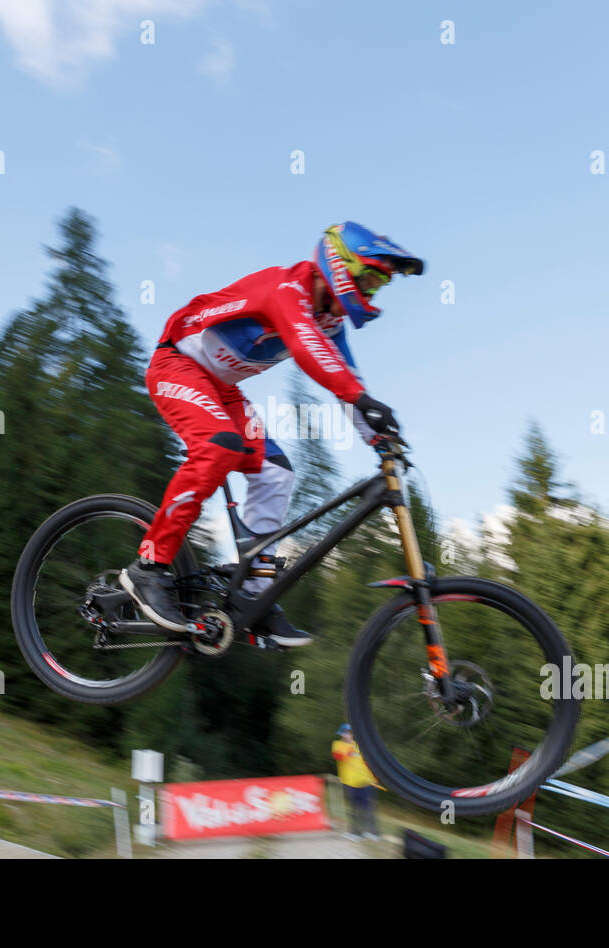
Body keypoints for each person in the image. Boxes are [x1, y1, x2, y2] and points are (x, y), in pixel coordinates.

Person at [120, 222, 424, 646]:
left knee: (275, 471)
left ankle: (253, 595)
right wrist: (361, 398)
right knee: (219, 446)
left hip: (221, 388)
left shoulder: (327, 321)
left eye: (379, 286)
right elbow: (307, 348)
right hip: (176, 366)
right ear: (341, 266)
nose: (371, 293)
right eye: (369, 279)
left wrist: (380, 439)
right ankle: (148, 567)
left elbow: (348, 382)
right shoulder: (286, 290)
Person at [332, 723, 380, 839]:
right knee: (354, 808)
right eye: (345, 733)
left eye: (349, 733)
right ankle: (356, 832)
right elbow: (339, 757)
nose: (347, 735)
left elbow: (366, 762)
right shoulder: (337, 745)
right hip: (350, 782)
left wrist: (374, 777)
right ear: (341, 734)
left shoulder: (359, 746)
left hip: (366, 781)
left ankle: (372, 832)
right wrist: (350, 748)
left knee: (368, 808)